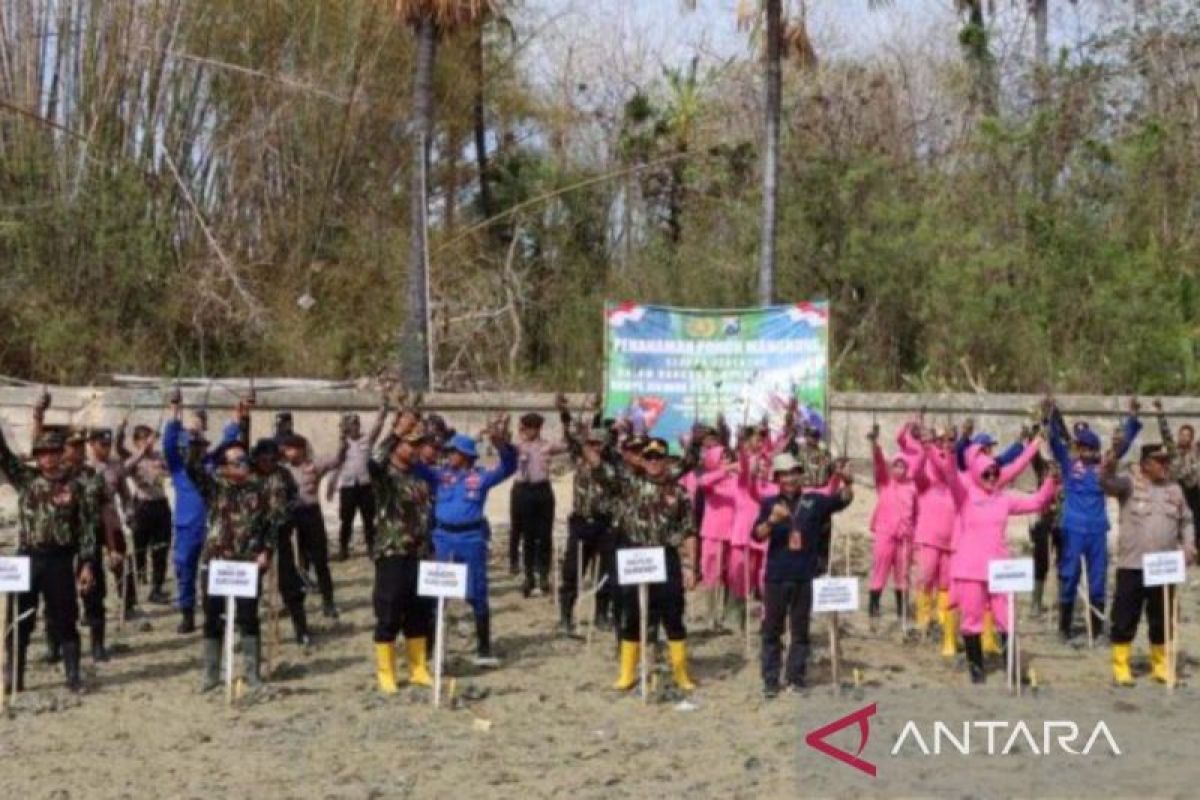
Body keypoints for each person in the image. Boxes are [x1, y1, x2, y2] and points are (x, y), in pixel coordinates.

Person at [938, 440, 1058, 683]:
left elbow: (1035, 502)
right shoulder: (965, 497)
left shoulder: (1004, 499)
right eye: (986, 473)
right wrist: (950, 450)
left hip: (1000, 569)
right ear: (975, 473)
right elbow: (950, 476)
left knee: (1007, 618)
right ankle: (977, 669)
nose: (992, 477)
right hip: (970, 570)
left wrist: (1051, 482)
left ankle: (1012, 667)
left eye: (995, 472)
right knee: (972, 621)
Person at [409, 416, 517, 665]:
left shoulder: (480, 478)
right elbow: (414, 464)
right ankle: (433, 649)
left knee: (477, 591)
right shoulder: (439, 476)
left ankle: (483, 648)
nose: (448, 456)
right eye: (447, 452)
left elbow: (509, 466)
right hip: (442, 538)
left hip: (471, 539)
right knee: (436, 594)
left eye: (453, 452)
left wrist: (500, 442)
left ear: (466, 455)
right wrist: (417, 437)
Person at [0, 429, 97, 693]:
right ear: (37, 457)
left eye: (53, 452)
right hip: (28, 558)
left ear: (61, 453)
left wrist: (86, 564)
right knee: (19, 619)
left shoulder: (77, 486)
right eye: (43, 453)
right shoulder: (26, 479)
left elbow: (87, 529)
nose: (48, 458)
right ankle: (14, 676)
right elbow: (4, 455)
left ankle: (73, 676)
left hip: (60, 560)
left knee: (65, 618)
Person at [753, 454, 853, 697]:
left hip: (804, 575)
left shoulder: (813, 501)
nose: (789, 478)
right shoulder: (769, 503)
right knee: (771, 631)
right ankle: (770, 680)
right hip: (776, 575)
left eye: (794, 472)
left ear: (800, 475)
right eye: (784, 474)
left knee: (800, 630)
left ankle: (795, 677)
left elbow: (841, 501)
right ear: (777, 478)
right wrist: (772, 520)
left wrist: (848, 483)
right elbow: (757, 535)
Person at [1046, 396, 1141, 642]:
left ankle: (1097, 629)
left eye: (1091, 448)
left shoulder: (1104, 466)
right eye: (1082, 447)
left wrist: (1131, 419)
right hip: (1073, 529)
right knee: (1069, 575)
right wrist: (1050, 415)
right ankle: (1064, 627)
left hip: (1098, 530)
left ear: (1096, 449)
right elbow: (1054, 442)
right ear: (1077, 448)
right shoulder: (1069, 465)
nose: (1086, 452)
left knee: (1098, 579)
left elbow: (1122, 446)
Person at [1101, 443, 1195, 686]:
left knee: (1162, 618)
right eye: (1159, 461)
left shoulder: (1175, 489)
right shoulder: (1129, 484)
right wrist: (1111, 459)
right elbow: (1106, 482)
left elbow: (1186, 521)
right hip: (1133, 565)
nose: (1165, 465)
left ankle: (1161, 666)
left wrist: (1188, 546)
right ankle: (1121, 666)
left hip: (1164, 567)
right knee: (1125, 617)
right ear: (1145, 464)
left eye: (1166, 461)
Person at [611, 438, 698, 694]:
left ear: (666, 460)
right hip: (636, 555)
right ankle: (627, 673)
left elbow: (689, 531)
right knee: (633, 614)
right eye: (648, 457)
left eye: (658, 457)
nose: (653, 462)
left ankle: (681, 672)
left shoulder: (679, 491)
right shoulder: (630, 483)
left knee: (672, 615)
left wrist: (691, 566)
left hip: (666, 555)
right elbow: (606, 465)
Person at [198, 439, 275, 692]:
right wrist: (192, 438)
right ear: (223, 467)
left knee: (248, 618)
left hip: (247, 564)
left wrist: (266, 551)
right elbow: (191, 468)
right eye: (237, 461)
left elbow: (270, 524)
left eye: (245, 460)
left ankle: (253, 674)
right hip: (217, 562)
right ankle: (211, 675)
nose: (244, 465)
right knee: (212, 617)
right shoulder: (214, 487)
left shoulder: (259, 489)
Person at [164, 397, 245, 634]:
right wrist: (174, 414)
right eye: (191, 445)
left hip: (212, 527)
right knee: (185, 570)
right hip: (186, 527)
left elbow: (228, 440)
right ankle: (187, 614)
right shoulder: (178, 466)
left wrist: (237, 418)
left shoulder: (211, 462)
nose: (195, 449)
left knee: (213, 572)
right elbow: (168, 443)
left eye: (199, 445)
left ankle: (214, 613)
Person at [367, 427, 435, 693]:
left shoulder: (418, 478)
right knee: (389, 610)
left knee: (418, 611)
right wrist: (396, 432)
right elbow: (374, 462)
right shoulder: (385, 477)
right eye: (411, 444)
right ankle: (387, 672)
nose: (416, 448)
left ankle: (417, 669)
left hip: (418, 552)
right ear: (397, 447)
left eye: (419, 444)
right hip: (392, 551)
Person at [557, 424, 617, 636]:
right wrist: (564, 414)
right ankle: (566, 616)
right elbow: (571, 439)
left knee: (606, 572)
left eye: (597, 443)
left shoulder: (611, 466)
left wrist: (587, 449)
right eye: (590, 443)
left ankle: (601, 613)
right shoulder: (579, 459)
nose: (592, 447)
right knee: (572, 571)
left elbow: (599, 467)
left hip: (604, 524)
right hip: (581, 523)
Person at [249, 438, 309, 646]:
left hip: (281, 534)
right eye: (264, 459)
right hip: (254, 537)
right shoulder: (250, 476)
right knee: (251, 584)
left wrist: (284, 515)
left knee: (290, 584)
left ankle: (301, 630)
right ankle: (248, 629)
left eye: (272, 459)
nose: (268, 463)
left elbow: (294, 497)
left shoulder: (283, 474)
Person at [279, 434, 344, 619]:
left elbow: (336, 460)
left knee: (320, 560)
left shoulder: (314, 465)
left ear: (300, 449)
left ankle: (328, 602)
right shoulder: (282, 469)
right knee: (287, 563)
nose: (287, 452)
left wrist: (343, 444)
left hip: (310, 513)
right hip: (290, 515)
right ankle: (290, 602)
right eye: (286, 449)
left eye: (290, 448)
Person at [909, 425, 960, 654]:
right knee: (925, 579)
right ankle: (923, 620)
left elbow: (948, 466)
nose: (942, 444)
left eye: (946, 441)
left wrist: (948, 447)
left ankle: (942, 619)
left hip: (951, 542)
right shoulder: (925, 480)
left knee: (946, 583)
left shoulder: (955, 478)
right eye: (939, 441)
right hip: (928, 539)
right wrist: (925, 449)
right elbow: (916, 471)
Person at [866, 424, 922, 624]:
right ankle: (873, 606)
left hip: (905, 537)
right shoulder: (884, 482)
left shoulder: (912, 488)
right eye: (896, 465)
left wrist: (913, 535)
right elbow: (879, 462)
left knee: (902, 574)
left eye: (903, 466)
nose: (899, 468)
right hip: (884, 534)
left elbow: (915, 514)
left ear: (907, 468)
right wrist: (874, 443)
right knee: (880, 569)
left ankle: (902, 610)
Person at [510, 411, 568, 596]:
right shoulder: (518, 446)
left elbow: (567, 445)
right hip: (524, 490)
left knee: (544, 534)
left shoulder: (547, 446)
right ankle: (528, 575)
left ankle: (543, 574)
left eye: (533, 427)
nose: (530, 431)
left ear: (538, 428)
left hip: (542, 490)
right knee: (526, 535)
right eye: (527, 427)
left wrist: (566, 421)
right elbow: (502, 445)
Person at [117, 422, 172, 607]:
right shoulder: (133, 458)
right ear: (137, 442)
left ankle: (156, 588)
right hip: (142, 506)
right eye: (144, 440)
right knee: (139, 549)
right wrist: (141, 452)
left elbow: (168, 469)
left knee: (161, 549)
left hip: (160, 505)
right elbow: (125, 469)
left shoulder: (158, 456)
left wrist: (160, 464)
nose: (149, 444)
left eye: (150, 439)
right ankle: (135, 585)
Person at [334, 395, 388, 560]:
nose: (354, 428)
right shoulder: (343, 442)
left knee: (368, 519)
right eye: (351, 425)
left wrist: (383, 409)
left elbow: (378, 427)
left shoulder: (367, 439)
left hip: (365, 485)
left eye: (356, 424)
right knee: (346, 520)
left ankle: (371, 548)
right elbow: (338, 458)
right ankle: (343, 549)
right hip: (348, 486)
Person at [1154, 400, 1200, 560]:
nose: (1184, 438)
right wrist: (1160, 413)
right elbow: (1165, 433)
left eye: (1188, 436)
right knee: (1173, 522)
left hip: (1192, 493)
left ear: (1191, 438)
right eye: (1182, 434)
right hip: (1175, 491)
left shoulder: (1196, 453)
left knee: (1194, 523)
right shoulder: (1173, 452)